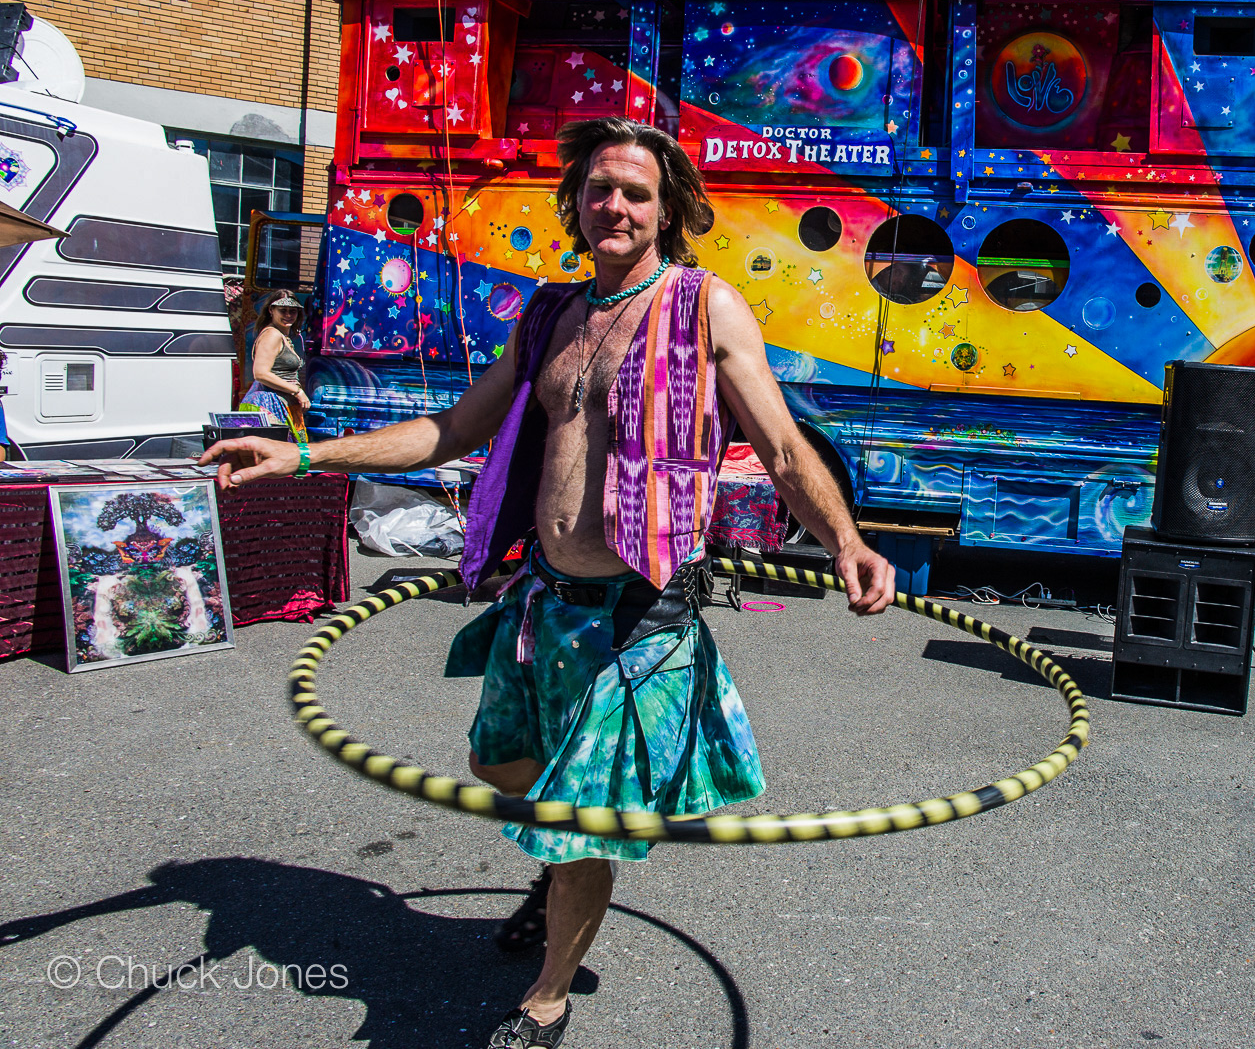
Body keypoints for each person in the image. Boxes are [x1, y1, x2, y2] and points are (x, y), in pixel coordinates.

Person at [200, 117, 895, 1049]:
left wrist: (846, 538)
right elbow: (449, 431)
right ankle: (559, 880)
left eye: (635, 192)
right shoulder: (547, 317)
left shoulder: (704, 306)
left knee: (579, 829)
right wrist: (299, 455)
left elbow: (777, 446)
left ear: (669, 209)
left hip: (638, 617)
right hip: (544, 604)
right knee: (500, 769)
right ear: (574, 204)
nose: (614, 205)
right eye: (599, 188)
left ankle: (546, 1001)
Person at [240, 291, 311, 444]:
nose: (288, 315)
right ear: (271, 310)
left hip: (282, 404)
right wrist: (297, 391)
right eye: (282, 310)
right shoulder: (271, 334)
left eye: (292, 311)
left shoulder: (283, 336)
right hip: (268, 405)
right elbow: (260, 373)